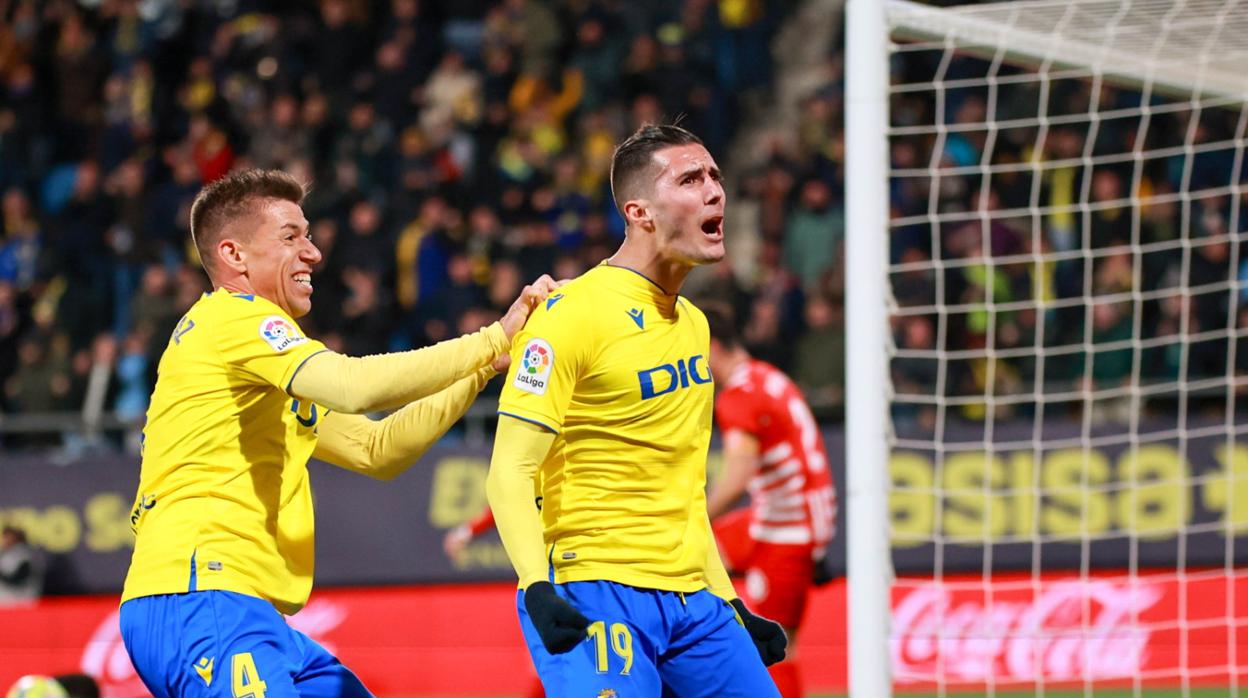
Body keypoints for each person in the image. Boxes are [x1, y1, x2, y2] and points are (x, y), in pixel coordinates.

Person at [118, 169, 558, 697]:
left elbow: (377, 449)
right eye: (290, 236)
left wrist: (486, 366)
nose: (313, 253)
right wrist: (493, 336)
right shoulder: (232, 319)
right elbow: (353, 386)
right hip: (201, 596)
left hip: (239, 608)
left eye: (307, 234)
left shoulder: (258, 366)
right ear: (234, 255)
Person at [486, 124, 787, 697]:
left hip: (694, 599)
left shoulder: (695, 327)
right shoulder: (570, 313)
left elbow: (685, 490)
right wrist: (536, 586)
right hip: (597, 588)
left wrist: (727, 597)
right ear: (640, 211)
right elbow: (510, 472)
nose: (715, 191)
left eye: (716, 176)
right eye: (692, 179)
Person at [703, 306, 837, 698]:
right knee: (687, 556)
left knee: (777, 648)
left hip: (786, 530)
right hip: (792, 520)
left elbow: (736, 478)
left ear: (710, 346)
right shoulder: (767, 376)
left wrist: (692, 514)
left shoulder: (739, 396)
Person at [0, 524, 42, 605]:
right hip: (6, 602)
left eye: (8, 537)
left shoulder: (25, 555)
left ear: (16, 538)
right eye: (4, 537)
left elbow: (19, 580)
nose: (5, 540)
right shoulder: (5, 554)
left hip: (22, 601)